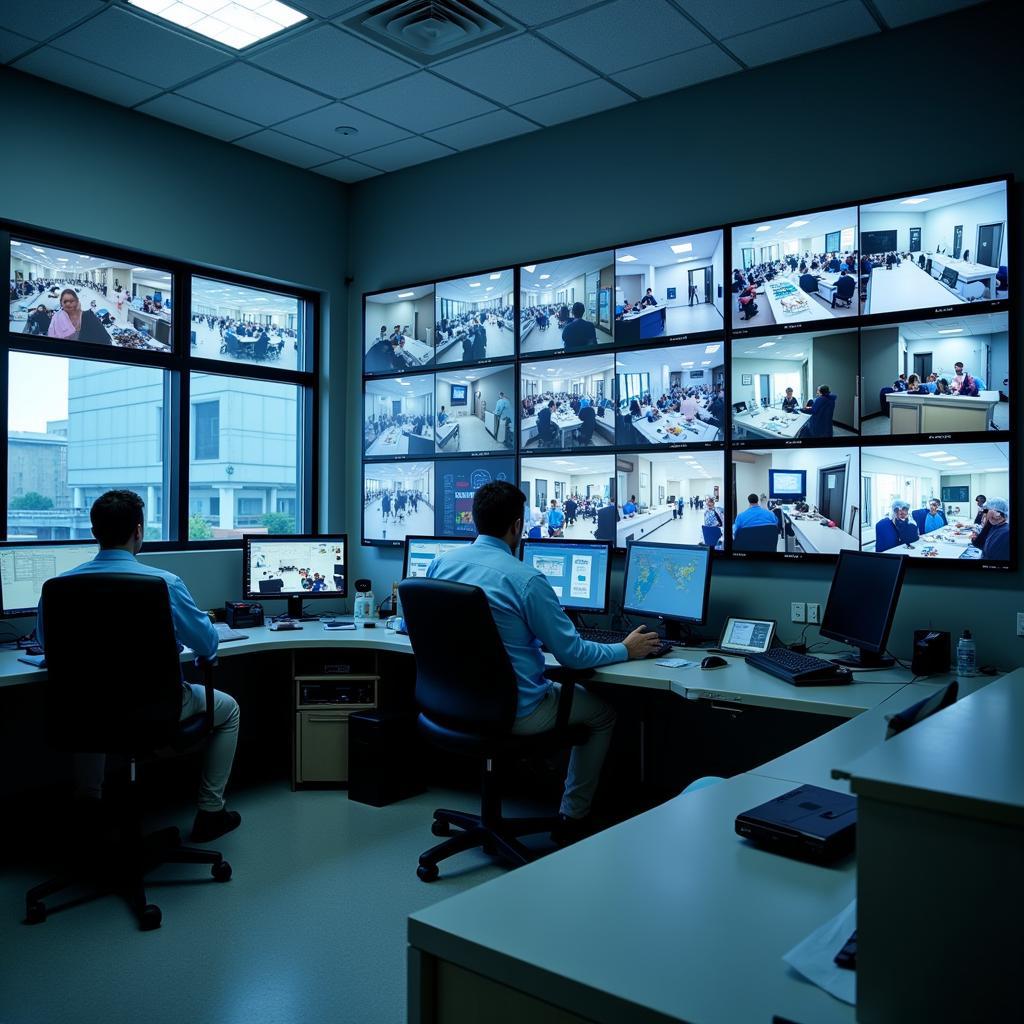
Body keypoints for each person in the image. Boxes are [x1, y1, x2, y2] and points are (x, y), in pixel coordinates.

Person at [425, 482, 661, 840]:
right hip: (516, 712)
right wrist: (626, 649)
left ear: (474, 519)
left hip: (450, 705)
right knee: (602, 714)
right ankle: (572, 817)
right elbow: (575, 656)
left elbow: (420, 629)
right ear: (518, 526)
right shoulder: (525, 579)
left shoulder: (441, 564)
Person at [36, 490, 241, 843]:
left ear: (94, 531)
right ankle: (210, 812)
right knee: (230, 709)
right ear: (139, 531)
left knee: (93, 704)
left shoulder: (59, 587)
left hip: (82, 710)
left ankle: (89, 812)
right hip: (156, 708)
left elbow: (45, 642)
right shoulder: (164, 583)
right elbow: (207, 643)